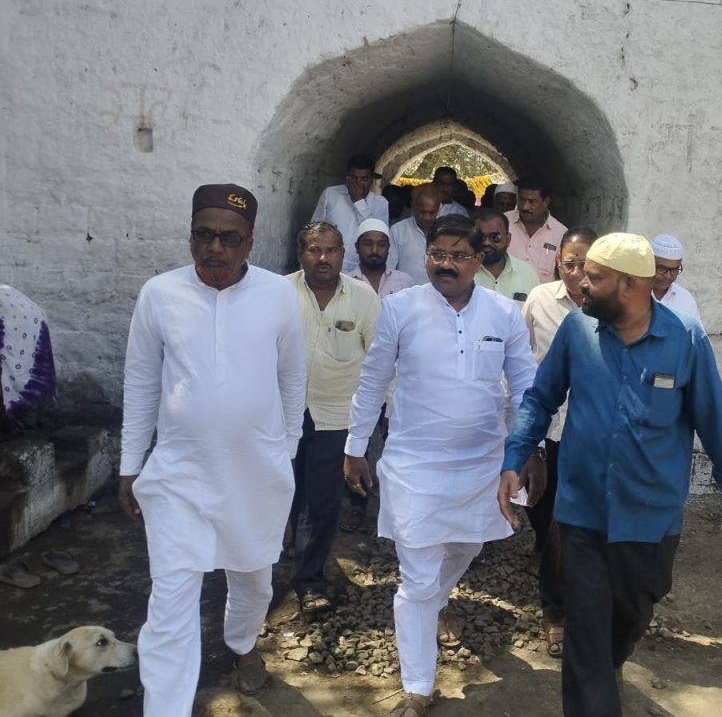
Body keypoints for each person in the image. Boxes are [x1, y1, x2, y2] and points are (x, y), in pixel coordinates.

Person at [501, 233, 722, 717]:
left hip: (650, 517)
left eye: (594, 278)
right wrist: (515, 457)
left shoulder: (686, 339)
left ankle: (609, 663)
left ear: (629, 285)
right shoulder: (577, 330)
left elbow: (715, 422)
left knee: (630, 618)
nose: (580, 284)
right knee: (585, 633)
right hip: (581, 512)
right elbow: (540, 398)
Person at [343, 215, 543, 717]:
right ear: (426, 256)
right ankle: (418, 685)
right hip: (414, 464)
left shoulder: (503, 312)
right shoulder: (399, 309)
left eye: (458, 255)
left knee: (467, 544)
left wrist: (528, 451)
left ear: (478, 259)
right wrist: (355, 446)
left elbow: (525, 387)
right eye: (437, 254)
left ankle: (435, 602)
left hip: (482, 462)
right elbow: (373, 380)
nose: (446, 264)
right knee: (416, 578)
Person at [119, 184, 306, 713]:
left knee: (253, 582)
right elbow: (141, 380)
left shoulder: (277, 295)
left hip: (256, 474)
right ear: (190, 237)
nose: (215, 248)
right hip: (179, 474)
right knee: (170, 600)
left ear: (250, 243)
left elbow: (293, 377)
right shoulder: (159, 294)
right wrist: (130, 464)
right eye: (204, 235)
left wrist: (286, 451)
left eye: (230, 238)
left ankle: (243, 644)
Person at [286, 222, 380, 612]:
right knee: (285, 491)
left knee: (321, 500)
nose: (322, 258)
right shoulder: (278, 294)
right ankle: (291, 552)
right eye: (313, 249)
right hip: (283, 414)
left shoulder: (363, 298)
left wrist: (375, 419)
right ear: (300, 254)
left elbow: (379, 362)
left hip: (336, 415)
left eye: (331, 250)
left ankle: (309, 581)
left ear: (343, 254)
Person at [520, 226, 598, 658]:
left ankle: (565, 610)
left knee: (567, 528)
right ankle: (556, 612)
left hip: (590, 435)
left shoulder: (609, 306)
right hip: (550, 429)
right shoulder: (540, 300)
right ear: (557, 262)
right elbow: (521, 361)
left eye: (586, 265)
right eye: (570, 264)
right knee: (548, 517)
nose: (577, 273)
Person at [311, 153, 389, 273]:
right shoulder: (331, 194)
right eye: (354, 178)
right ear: (347, 177)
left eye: (364, 179)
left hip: (359, 271)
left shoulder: (380, 203)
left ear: (371, 180)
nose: (358, 183)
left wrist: (359, 201)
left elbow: (375, 234)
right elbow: (313, 230)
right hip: (327, 265)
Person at [0, 285, 56, 429]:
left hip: (15, 322)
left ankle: (18, 420)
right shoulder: (10, 295)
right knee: (31, 371)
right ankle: (31, 419)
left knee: (15, 372)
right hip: (31, 320)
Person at [507, 176, 567, 283]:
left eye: (532, 201)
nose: (525, 207)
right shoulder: (503, 223)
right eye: (522, 199)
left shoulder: (560, 233)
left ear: (546, 201)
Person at [473, 208, 540, 305]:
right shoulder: (463, 274)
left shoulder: (527, 274)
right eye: (481, 237)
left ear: (508, 239)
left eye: (495, 237)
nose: (487, 243)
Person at [347, 218, 415, 298]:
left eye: (381, 245)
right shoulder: (345, 284)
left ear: (388, 248)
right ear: (357, 247)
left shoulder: (405, 283)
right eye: (368, 244)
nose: (374, 250)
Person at [388, 183, 440, 286]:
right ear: (413, 207)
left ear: (438, 210)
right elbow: (389, 268)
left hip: (437, 293)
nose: (427, 217)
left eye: (432, 213)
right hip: (404, 292)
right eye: (422, 212)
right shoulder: (398, 230)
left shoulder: (445, 232)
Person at [649, 234, 702, 326]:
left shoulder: (686, 299)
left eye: (674, 270)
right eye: (662, 269)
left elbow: (693, 333)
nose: (668, 276)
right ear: (649, 264)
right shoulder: (633, 294)